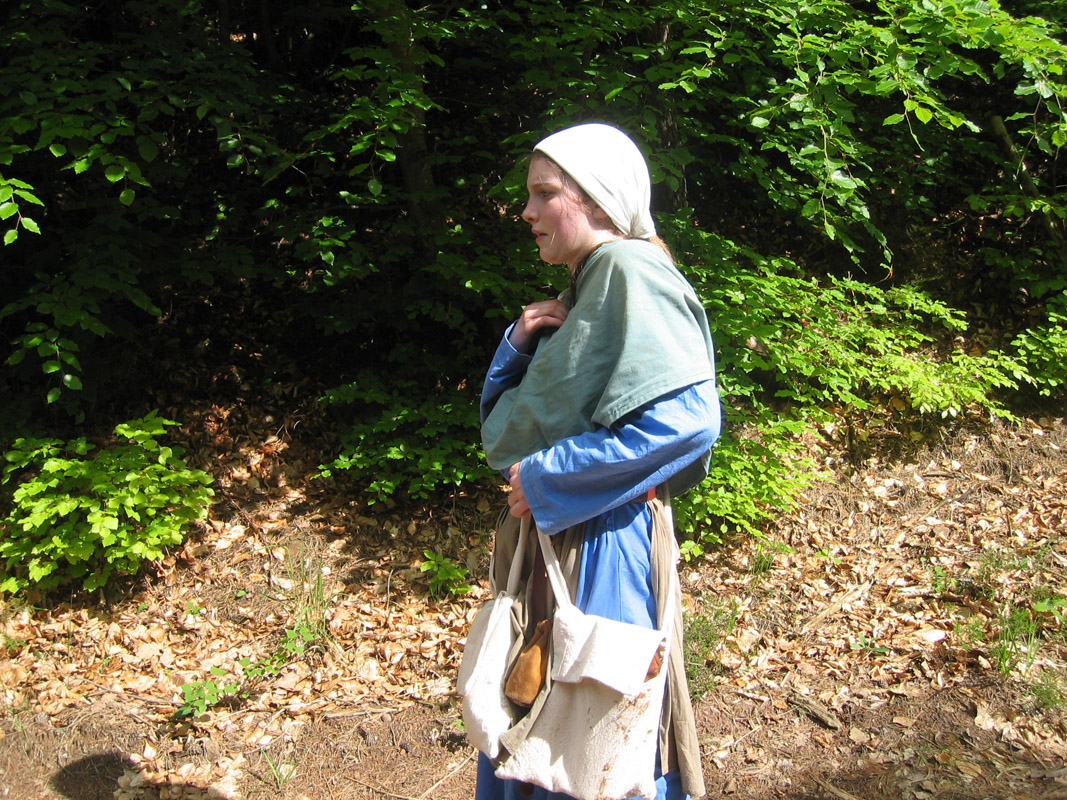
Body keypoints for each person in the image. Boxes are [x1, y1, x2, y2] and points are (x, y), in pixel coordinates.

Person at [477, 123, 721, 800]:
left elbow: (689, 421)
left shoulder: (629, 270)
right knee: (547, 728)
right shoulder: (591, 286)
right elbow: (508, 434)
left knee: (595, 744)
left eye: (544, 193)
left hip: (602, 548)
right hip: (567, 540)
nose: (526, 211)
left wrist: (548, 478)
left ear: (597, 199)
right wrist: (518, 344)